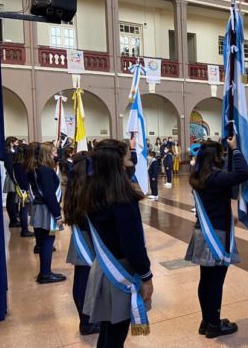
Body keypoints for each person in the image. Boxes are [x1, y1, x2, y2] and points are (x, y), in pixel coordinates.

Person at [82, 139, 153, 348]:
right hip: (121, 271)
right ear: (117, 163)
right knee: (115, 335)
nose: (129, 159)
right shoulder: (121, 198)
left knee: (108, 331)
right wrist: (146, 275)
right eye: (126, 156)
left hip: (104, 267)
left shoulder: (94, 190)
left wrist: (129, 148)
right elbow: (133, 244)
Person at [185, 137, 248, 339]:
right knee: (215, 282)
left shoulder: (200, 176)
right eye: (221, 155)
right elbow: (243, 174)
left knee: (206, 281)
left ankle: (207, 320)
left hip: (204, 231)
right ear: (214, 158)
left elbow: (216, 200)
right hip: (215, 235)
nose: (223, 159)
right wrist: (236, 149)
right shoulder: (214, 177)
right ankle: (214, 325)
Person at [63, 152, 100, 336]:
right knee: (85, 280)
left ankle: (85, 319)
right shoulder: (89, 187)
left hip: (79, 235)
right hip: (89, 238)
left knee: (81, 278)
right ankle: (87, 322)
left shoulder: (72, 184)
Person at [27, 142, 66, 284]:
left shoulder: (35, 169)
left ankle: (44, 272)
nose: (56, 155)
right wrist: (58, 215)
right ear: (47, 154)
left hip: (38, 208)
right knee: (48, 241)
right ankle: (45, 273)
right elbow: (49, 195)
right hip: (47, 210)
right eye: (54, 152)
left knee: (43, 242)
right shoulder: (46, 171)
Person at [12, 144, 34, 238]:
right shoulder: (22, 165)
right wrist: (27, 190)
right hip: (24, 190)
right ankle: (24, 230)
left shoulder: (16, 163)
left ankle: (24, 229)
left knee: (23, 209)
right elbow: (24, 180)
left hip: (20, 189)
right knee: (24, 210)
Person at [3, 136, 20, 228]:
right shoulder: (8, 153)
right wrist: (15, 178)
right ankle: (13, 221)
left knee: (13, 199)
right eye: (16, 143)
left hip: (14, 176)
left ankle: (14, 219)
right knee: (11, 199)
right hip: (12, 177)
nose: (18, 144)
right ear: (11, 143)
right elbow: (9, 166)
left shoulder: (13, 151)